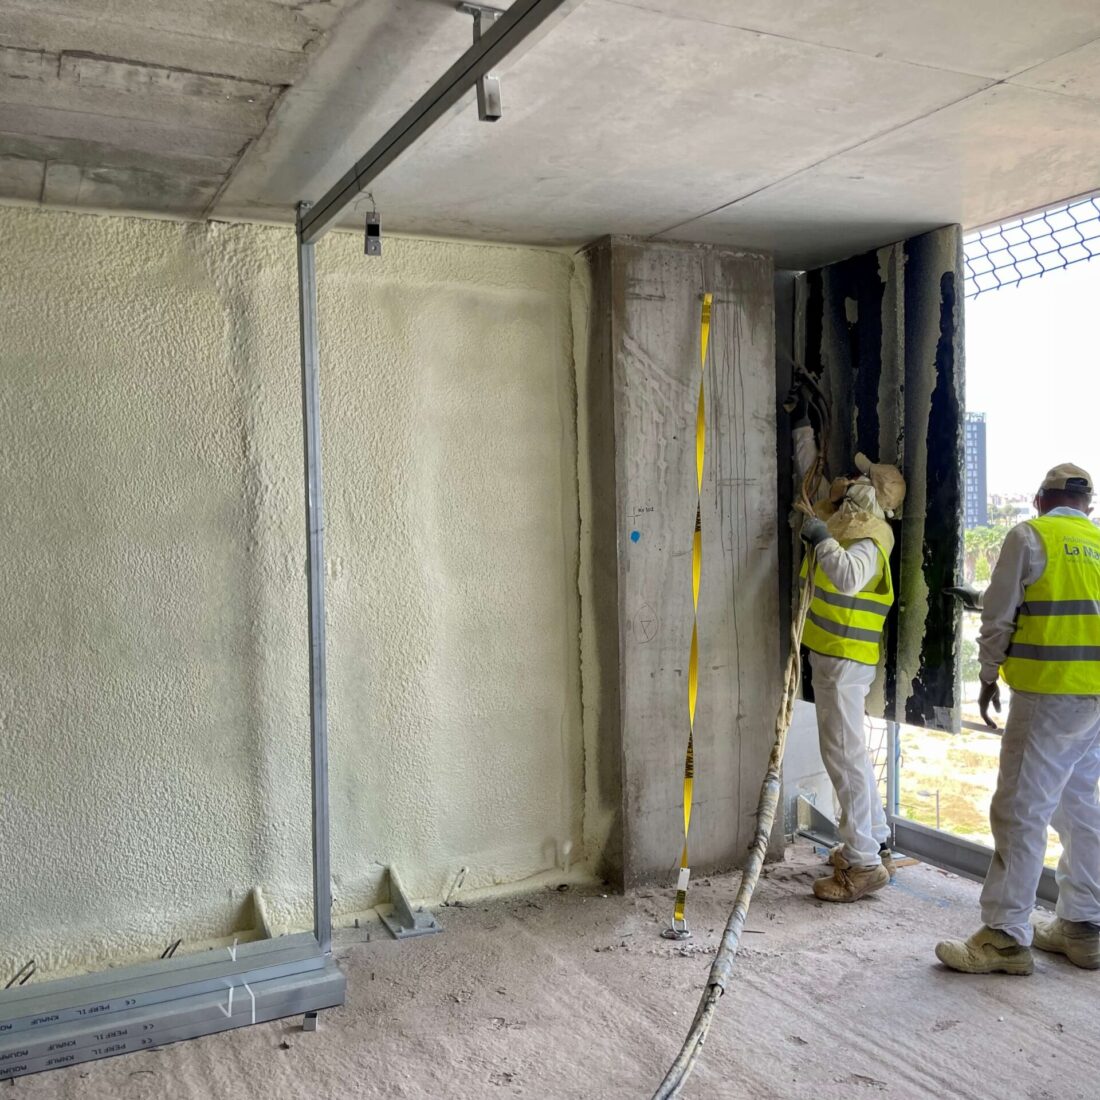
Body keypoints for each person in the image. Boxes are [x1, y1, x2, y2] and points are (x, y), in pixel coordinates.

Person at [936, 463, 1100, 975]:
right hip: (1093, 701)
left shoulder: (1029, 536)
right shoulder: (1097, 541)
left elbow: (1000, 616)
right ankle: (1083, 928)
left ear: (1038, 499)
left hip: (1046, 694)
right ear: (1088, 506)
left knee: (1019, 811)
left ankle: (1005, 936)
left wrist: (987, 675)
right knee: (1081, 806)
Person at [793, 416, 906, 902]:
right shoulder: (849, 522)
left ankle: (860, 864)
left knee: (843, 757)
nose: (852, 481)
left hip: (843, 659)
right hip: (835, 656)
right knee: (851, 754)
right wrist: (804, 436)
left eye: (862, 478)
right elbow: (812, 488)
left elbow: (846, 576)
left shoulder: (872, 533)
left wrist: (820, 537)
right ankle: (873, 843)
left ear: (872, 493)